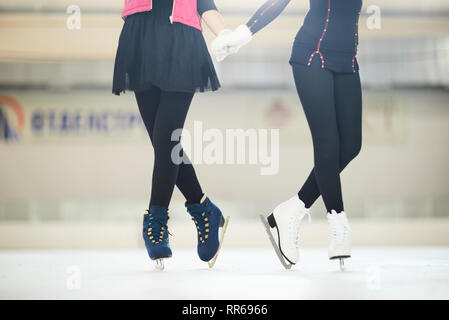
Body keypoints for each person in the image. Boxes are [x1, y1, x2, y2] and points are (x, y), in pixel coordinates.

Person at [212, 0, 363, 270]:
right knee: (327, 145)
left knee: (351, 145)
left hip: (347, 61)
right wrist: (242, 34)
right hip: (312, 56)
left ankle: (292, 209)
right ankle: (339, 224)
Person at [112, 0, 231, 270]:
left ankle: (156, 217)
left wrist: (223, 33)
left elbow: (205, 3)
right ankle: (204, 209)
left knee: (166, 138)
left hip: (181, 39)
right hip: (141, 36)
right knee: (164, 141)